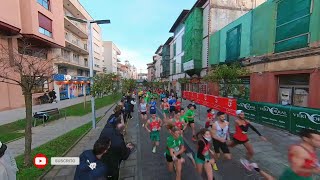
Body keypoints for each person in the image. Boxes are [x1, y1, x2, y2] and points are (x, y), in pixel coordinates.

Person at [99, 116, 135, 180]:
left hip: (101, 160)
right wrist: (128, 149)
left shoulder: (107, 128)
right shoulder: (119, 141)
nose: (124, 124)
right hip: (112, 164)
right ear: (118, 125)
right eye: (122, 122)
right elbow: (125, 155)